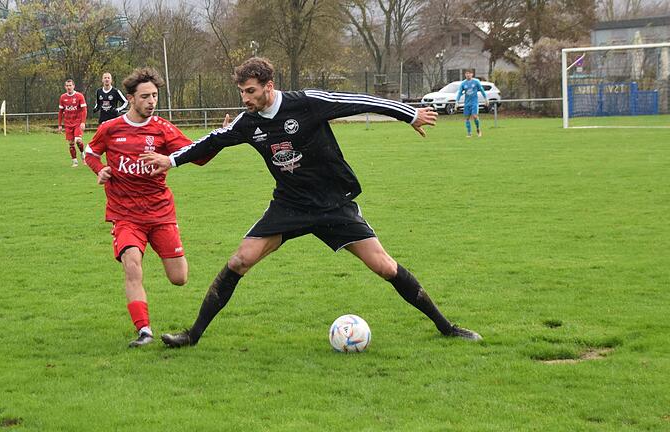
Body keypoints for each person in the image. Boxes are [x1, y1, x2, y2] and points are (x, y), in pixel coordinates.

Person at [140, 57, 482, 349]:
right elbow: (210, 141)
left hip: (334, 204)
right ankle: (193, 335)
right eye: (242, 92)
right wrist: (170, 162)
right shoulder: (249, 123)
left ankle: (447, 328)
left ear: (268, 86)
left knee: (385, 267)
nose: (245, 98)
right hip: (290, 206)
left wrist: (408, 114)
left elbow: (358, 100)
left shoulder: (307, 103)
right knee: (239, 261)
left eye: (251, 91)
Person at [83, 67, 213, 348]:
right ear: (131, 98)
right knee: (132, 266)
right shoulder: (111, 129)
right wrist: (100, 169)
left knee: (179, 278)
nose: (151, 101)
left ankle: (159, 251)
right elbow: (91, 152)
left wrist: (220, 136)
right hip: (125, 214)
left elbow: (198, 157)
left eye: (154, 95)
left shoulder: (163, 129)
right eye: (145, 96)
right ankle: (144, 331)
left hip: (161, 212)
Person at [58, 79, 87, 167]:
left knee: (78, 140)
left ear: (73, 86)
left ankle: (83, 154)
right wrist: (59, 125)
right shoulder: (63, 97)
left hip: (77, 122)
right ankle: (75, 161)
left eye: (70, 85)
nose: (69, 87)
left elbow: (84, 110)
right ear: (65, 87)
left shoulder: (79, 96)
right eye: (67, 86)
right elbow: (60, 112)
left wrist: (83, 122)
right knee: (71, 143)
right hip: (68, 123)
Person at [455, 70, 488, 138]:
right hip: (467, 103)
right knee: (467, 118)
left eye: (469, 73)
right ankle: (469, 133)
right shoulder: (463, 83)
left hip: (474, 103)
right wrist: (456, 101)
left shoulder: (476, 82)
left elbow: (481, 90)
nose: (468, 75)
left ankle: (478, 130)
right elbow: (459, 92)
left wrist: (486, 99)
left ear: (472, 74)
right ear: (465, 74)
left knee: (475, 116)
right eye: (466, 73)